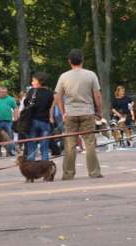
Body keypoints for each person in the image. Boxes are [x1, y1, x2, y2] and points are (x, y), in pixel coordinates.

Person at [55, 49, 103, 180]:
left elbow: (58, 96)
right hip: (87, 112)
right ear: (82, 60)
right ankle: (94, 172)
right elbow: (97, 95)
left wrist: (62, 111)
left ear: (69, 61)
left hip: (70, 113)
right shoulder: (91, 75)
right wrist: (99, 111)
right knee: (89, 143)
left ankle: (68, 174)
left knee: (70, 144)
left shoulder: (64, 76)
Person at [23, 72, 55, 161]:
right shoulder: (49, 93)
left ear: (38, 82)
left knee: (31, 146)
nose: (32, 83)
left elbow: (26, 103)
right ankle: (45, 166)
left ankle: (31, 166)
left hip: (32, 121)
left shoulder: (32, 91)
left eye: (33, 81)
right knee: (44, 146)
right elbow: (50, 106)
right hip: (44, 121)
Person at [0, 85, 18, 157]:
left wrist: (15, 118)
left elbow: (15, 108)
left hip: (8, 121)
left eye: (5, 92)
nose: (3, 93)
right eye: (2, 92)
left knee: (9, 137)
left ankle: (10, 152)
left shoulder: (11, 99)